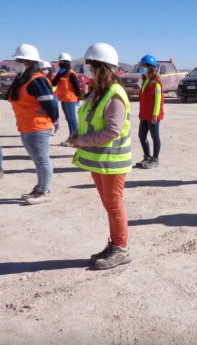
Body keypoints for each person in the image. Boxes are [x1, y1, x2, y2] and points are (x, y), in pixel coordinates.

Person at [71, 43, 133, 270]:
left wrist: (82, 141)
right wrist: (77, 135)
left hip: (113, 161)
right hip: (99, 161)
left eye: (91, 65)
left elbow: (112, 130)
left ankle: (121, 248)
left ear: (102, 67)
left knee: (114, 205)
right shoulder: (98, 92)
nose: (88, 69)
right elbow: (91, 120)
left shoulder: (115, 94)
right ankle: (115, 243)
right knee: (109, 204)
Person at [7, 44, 58, 205]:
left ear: (29, 62)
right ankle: (40, 187)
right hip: (26, 126)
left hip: (38, 126)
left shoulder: (37, 80)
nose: (17, 63)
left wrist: (54, 120)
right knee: (37, 160)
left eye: (20, 60)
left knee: (42, 159)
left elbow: (51, 104)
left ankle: (45, 190)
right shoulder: (23, 79)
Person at [135, 54, 163, 169]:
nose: (141, 67)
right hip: (144, 114)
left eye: (143, 65)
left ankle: (155, 158)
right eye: (141, 65)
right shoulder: (145, 81)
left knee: (154, 136)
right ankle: (147, 157)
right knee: (142, 135)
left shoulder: (156, 82)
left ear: (150, 67)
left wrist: (155, 114)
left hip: (153, 115)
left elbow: (158, 100)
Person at [52, 52, 81, 147]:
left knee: (72, 119)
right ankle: (71, 137)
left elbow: (77, 87)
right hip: (63, 99)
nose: (60, 63)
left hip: (70, 99)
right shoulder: (61, 73)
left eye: (62, 61)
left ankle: (76, 139)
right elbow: (54, 83)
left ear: (67, 62)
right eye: (60, 61)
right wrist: (59, 75)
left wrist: (78, 98)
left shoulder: (71, 74)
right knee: (68, 119)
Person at [39, 61, 61, 136]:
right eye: (43, 69)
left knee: (55, 113)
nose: (45, 70)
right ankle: (49, 128)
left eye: (46, 69)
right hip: (44, 98)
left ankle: (57, 128)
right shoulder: (40, 78)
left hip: (53, 97)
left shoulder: (53, 78)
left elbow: (54, 88)